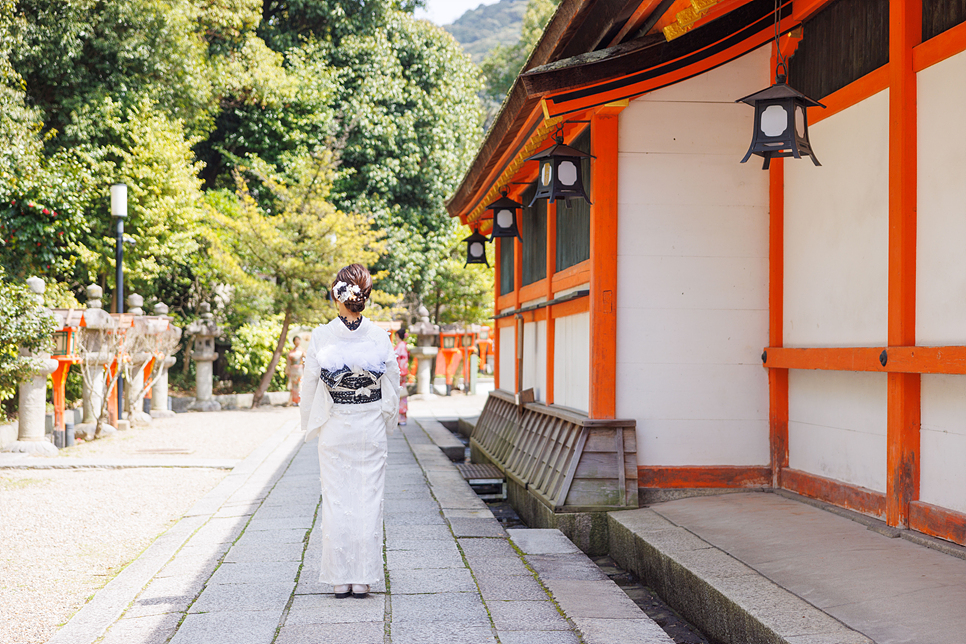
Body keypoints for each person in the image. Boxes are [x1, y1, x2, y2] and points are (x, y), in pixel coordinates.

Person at [299, 264, 400, 600]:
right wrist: (387, 417)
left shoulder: (321, 335)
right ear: (364, 297)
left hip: (336, 424)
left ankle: (339, 578)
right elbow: (392, 381)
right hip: (369, 423)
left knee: (336, 498)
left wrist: (309, 423)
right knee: (368, 500)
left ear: (336, 296)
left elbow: (310, 383)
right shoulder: (379, 335)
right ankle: (364, 578)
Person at [393, 328, 409, 425]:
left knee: (400, 394)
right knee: (398, 394)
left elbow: (402, 361)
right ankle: (399, 416)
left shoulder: (401, 346)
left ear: (397, 335)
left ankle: (401, 417)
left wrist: (402, 373)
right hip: (399, 372)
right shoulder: (401, 346)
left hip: (400, 373)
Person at [286, 335, 304, 405]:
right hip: (293, 369)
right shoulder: (291, 351)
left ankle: (300, 400)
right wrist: (288, 369)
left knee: (300, 384)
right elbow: (288, 361)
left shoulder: (303, 351)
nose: (297, 342)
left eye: (298, 340)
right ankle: (294, 400)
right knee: (294, 385)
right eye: (295, 340)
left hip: (300, 368)